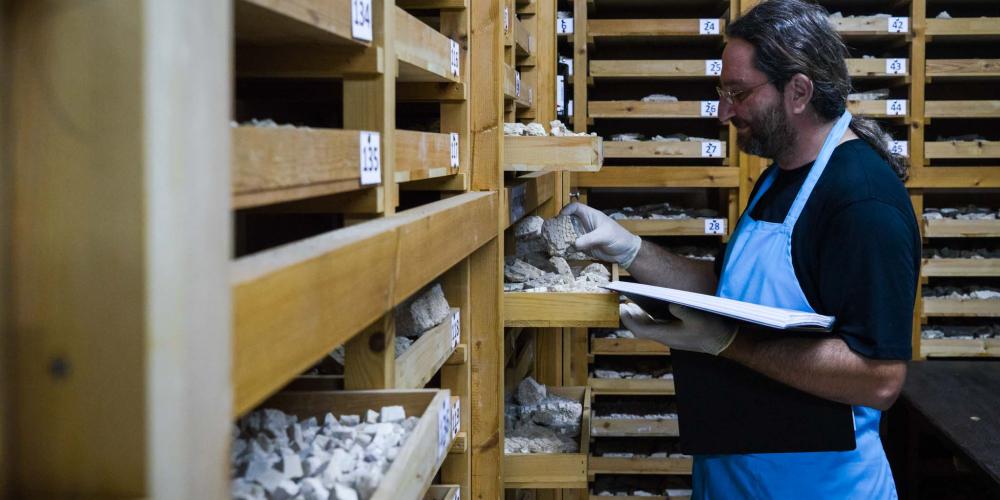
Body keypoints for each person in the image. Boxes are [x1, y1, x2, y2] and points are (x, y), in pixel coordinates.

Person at [562, 0, 920, 498]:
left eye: (738, 93)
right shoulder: (778, 175)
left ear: (798, 91)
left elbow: (879, 379)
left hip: (815, 489)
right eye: (722, 91)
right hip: (736, 480)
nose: (725, 110)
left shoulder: (862, 201)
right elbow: (730, 290)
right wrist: (629, 251)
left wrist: (727, 343)